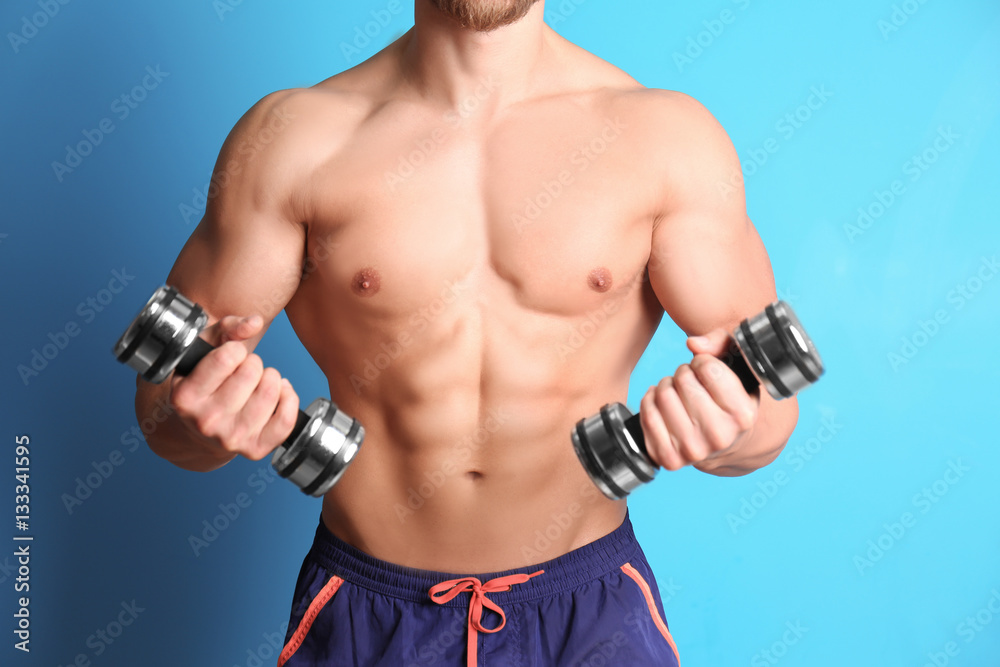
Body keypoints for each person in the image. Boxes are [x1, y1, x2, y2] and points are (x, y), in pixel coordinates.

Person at [134, 1, 799, 664]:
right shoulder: (291, 139)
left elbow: (771, 408)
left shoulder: (666, 139)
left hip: (591, 613)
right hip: (370, 612)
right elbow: (163, 411)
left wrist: (728, 428)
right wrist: (198, 420)